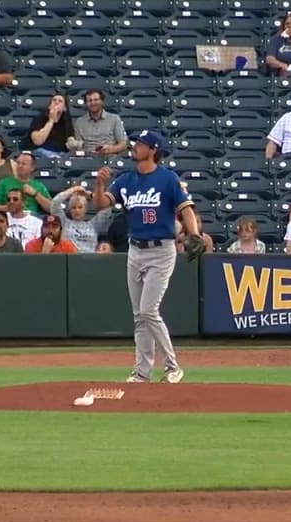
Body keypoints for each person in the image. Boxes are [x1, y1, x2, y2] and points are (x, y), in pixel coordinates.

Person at [93, 130, 200, 384]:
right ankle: (142, 371)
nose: (135, 147)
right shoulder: (126, 180)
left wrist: (194, 234)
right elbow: (100, 205)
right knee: (139, 315)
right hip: (135, 249)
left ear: (153, 150)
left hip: (161, 250)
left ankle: (173, 366)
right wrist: (99, 184)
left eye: (140, 144)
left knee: (148, 310)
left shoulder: (167, 179)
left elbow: (185, 209)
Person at [27, 93, 75, 158]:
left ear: (64, 108)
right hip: (40, 152)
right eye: (54, 100)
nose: (56, 102)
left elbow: (70, 141)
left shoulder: (66, 122)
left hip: (61, 154)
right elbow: (37, 141)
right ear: (49, 106)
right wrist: (51, 121)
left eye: (60, 101)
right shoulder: (39, 118)